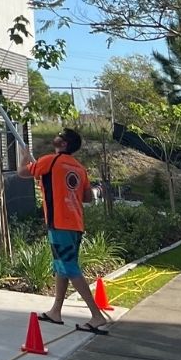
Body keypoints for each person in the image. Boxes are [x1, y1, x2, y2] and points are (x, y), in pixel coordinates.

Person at [18, 127, 111, 334]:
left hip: (59, 222)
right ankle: (55, 311)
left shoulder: (50, 161)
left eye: (59, 135)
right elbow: (87, 197)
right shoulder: (79, 168)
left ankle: (96, 315)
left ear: (64, 144)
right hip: (75, 224)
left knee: (69, 267)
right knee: (62, 266)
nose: (56, 136)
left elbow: (22, 172)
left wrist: (24, 157)